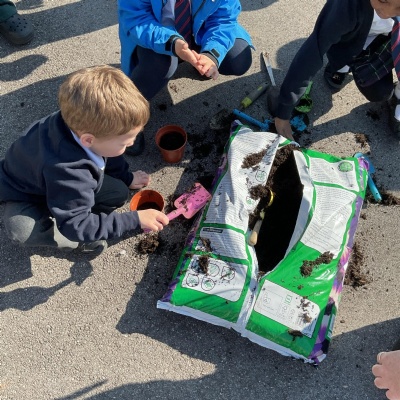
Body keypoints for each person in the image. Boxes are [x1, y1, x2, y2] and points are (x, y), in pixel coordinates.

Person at [0, 65, 169, 256]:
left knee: (119, 192)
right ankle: (76, 240)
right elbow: (75, 225)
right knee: (23, 231)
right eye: (125, 142)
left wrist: (126, 177)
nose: (131, 143)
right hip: (25, 193)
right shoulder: (71, 172)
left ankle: (71, 207)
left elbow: (109, 153)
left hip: (50, 179)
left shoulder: (79, 122)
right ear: (88, 140)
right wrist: (134, 219)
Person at [118, 0, 253, 155]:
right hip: (156, 34)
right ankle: (128, 116)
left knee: (237, 59)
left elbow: (224, 18)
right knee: (159, 66)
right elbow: (137, 19)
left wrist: (212, 54)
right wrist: (172, 43)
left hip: (199, 30)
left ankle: (198, 60)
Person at [267, 0, 400, 142]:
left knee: (381, 93)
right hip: (351, 37)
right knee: (341, 51)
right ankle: (342, 63)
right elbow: (313, 50)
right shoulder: (346, 5)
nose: (386, 11)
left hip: (387, 39)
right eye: (382, 0)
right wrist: (284, 109)